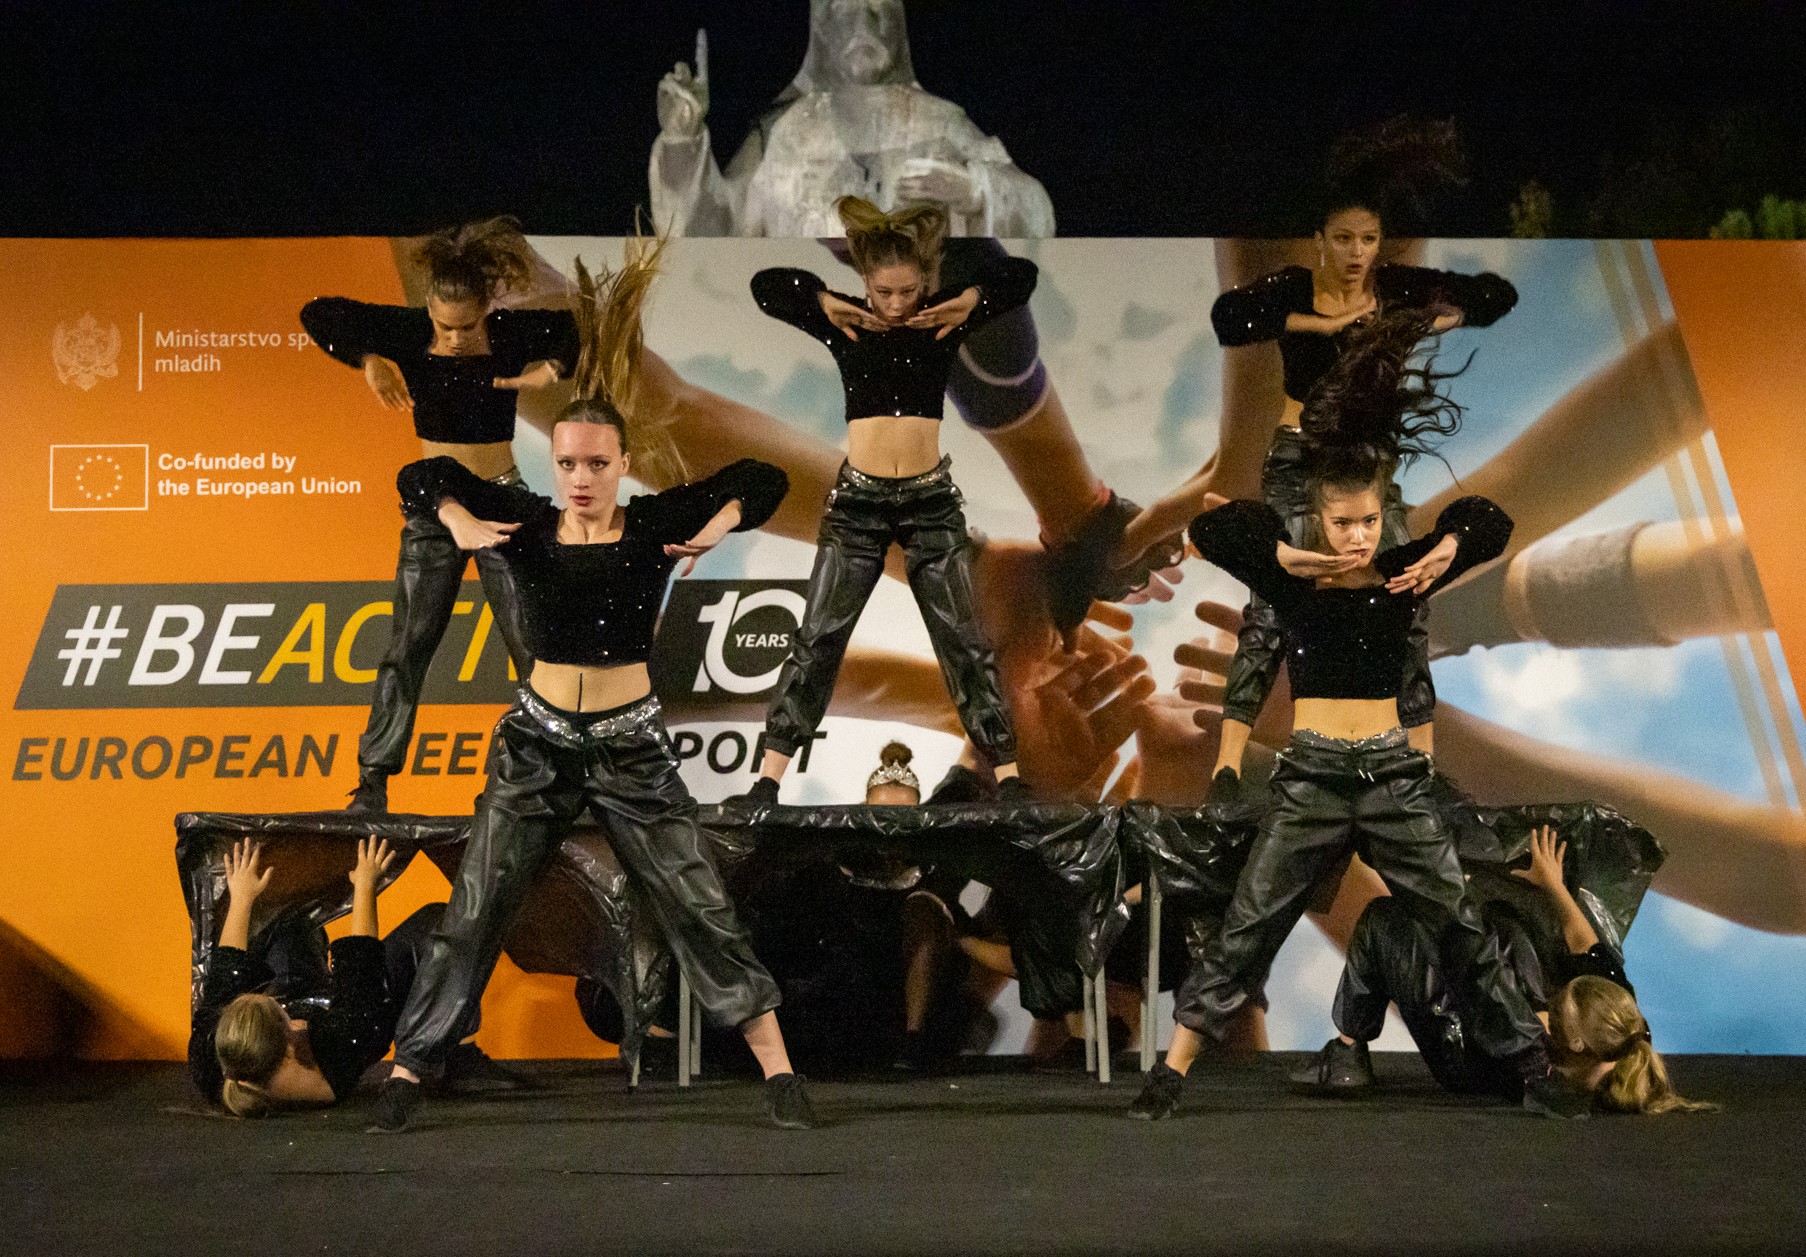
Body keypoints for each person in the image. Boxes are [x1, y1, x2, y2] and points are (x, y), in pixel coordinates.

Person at [371, 233, 814, 1132]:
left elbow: (764, 477)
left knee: (700, 904)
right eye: (568, 462)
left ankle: (779, 1070)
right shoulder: (526, 523)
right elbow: (420, 474)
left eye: (597, 464)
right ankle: (411, 1065)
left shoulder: (650, 526)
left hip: (631, 751)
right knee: (477, 903)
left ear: (621, 464)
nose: (579, 478)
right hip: (536, 745)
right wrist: (457, 517)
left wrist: (720, 521)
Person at [1128, 310, 1575, 1122]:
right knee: (1249, 925)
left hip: (1394, 778)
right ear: (1318, 515)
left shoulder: (1404, 573)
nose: (1358, 535)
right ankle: (1172, 1071)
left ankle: (1534, 1067)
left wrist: (1446, 549)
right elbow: (1211, 527)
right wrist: (1281, 554)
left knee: (1458, 923)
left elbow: (1491, 521)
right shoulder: (1291, 579)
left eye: (1369, 520)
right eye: (1343, 522)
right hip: (1311, 780)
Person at [733, 197, 1035, 807]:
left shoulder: (942, 323)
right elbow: (766, 287)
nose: (895, 305)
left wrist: (972, 298)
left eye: (907, 292)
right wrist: (823, 299)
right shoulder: (846, 324)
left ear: (924, 283)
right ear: (866, 284)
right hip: (858, 506)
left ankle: (1009, 780)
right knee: (818, 640)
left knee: (965, 643)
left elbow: (1021, 276)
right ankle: (765, 782)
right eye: (883, 292)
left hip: (930, 505)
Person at [301, 218, 580, 811]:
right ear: (428, 309)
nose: (453, 338)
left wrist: (553, 369)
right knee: (408, 646)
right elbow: (319, 313)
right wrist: (369, 357)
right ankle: (372, 784)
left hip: (503, 499)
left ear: (487, 313)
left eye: (466, 327)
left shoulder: (509, 334)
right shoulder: (408, 332)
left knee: (532, 647)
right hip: (435, 506)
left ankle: (550, 780)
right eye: (443, 325)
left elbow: (568, 331)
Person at [1297, 826, 1714, 1116]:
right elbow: (1582, 940)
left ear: (1574, 1044)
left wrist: (1453, 893)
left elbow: (1477, 965)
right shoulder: (1625, 1025)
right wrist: (1552, 883)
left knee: (1381, 920)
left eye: (1558, 1008)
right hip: (1502, 1005)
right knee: (1510, 931)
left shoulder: (1532, 1040)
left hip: (1466, 1056)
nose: (1555, 996)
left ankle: (1347, 1052)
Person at [649, 3, 1054, 237]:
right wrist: (682, 141)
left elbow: (1038, 216)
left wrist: (976, 192)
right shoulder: (784, 131)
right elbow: (714, 234)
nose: (863, 26)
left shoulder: (942, 123)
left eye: (878, 10)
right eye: (846, 10)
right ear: (823, 29)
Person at [189, 837, 508, 1115]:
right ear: (292, 1040)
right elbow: (360, 966)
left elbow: (226, 974)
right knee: (438, 923)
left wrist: (242, 896)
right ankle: (462, 1056)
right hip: (366, 1012)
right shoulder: (339, 1047)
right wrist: (365, 883)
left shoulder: (213, 1058)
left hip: (309, 1001)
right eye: (282, 1012)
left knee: (289, 923)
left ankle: (294, 932)